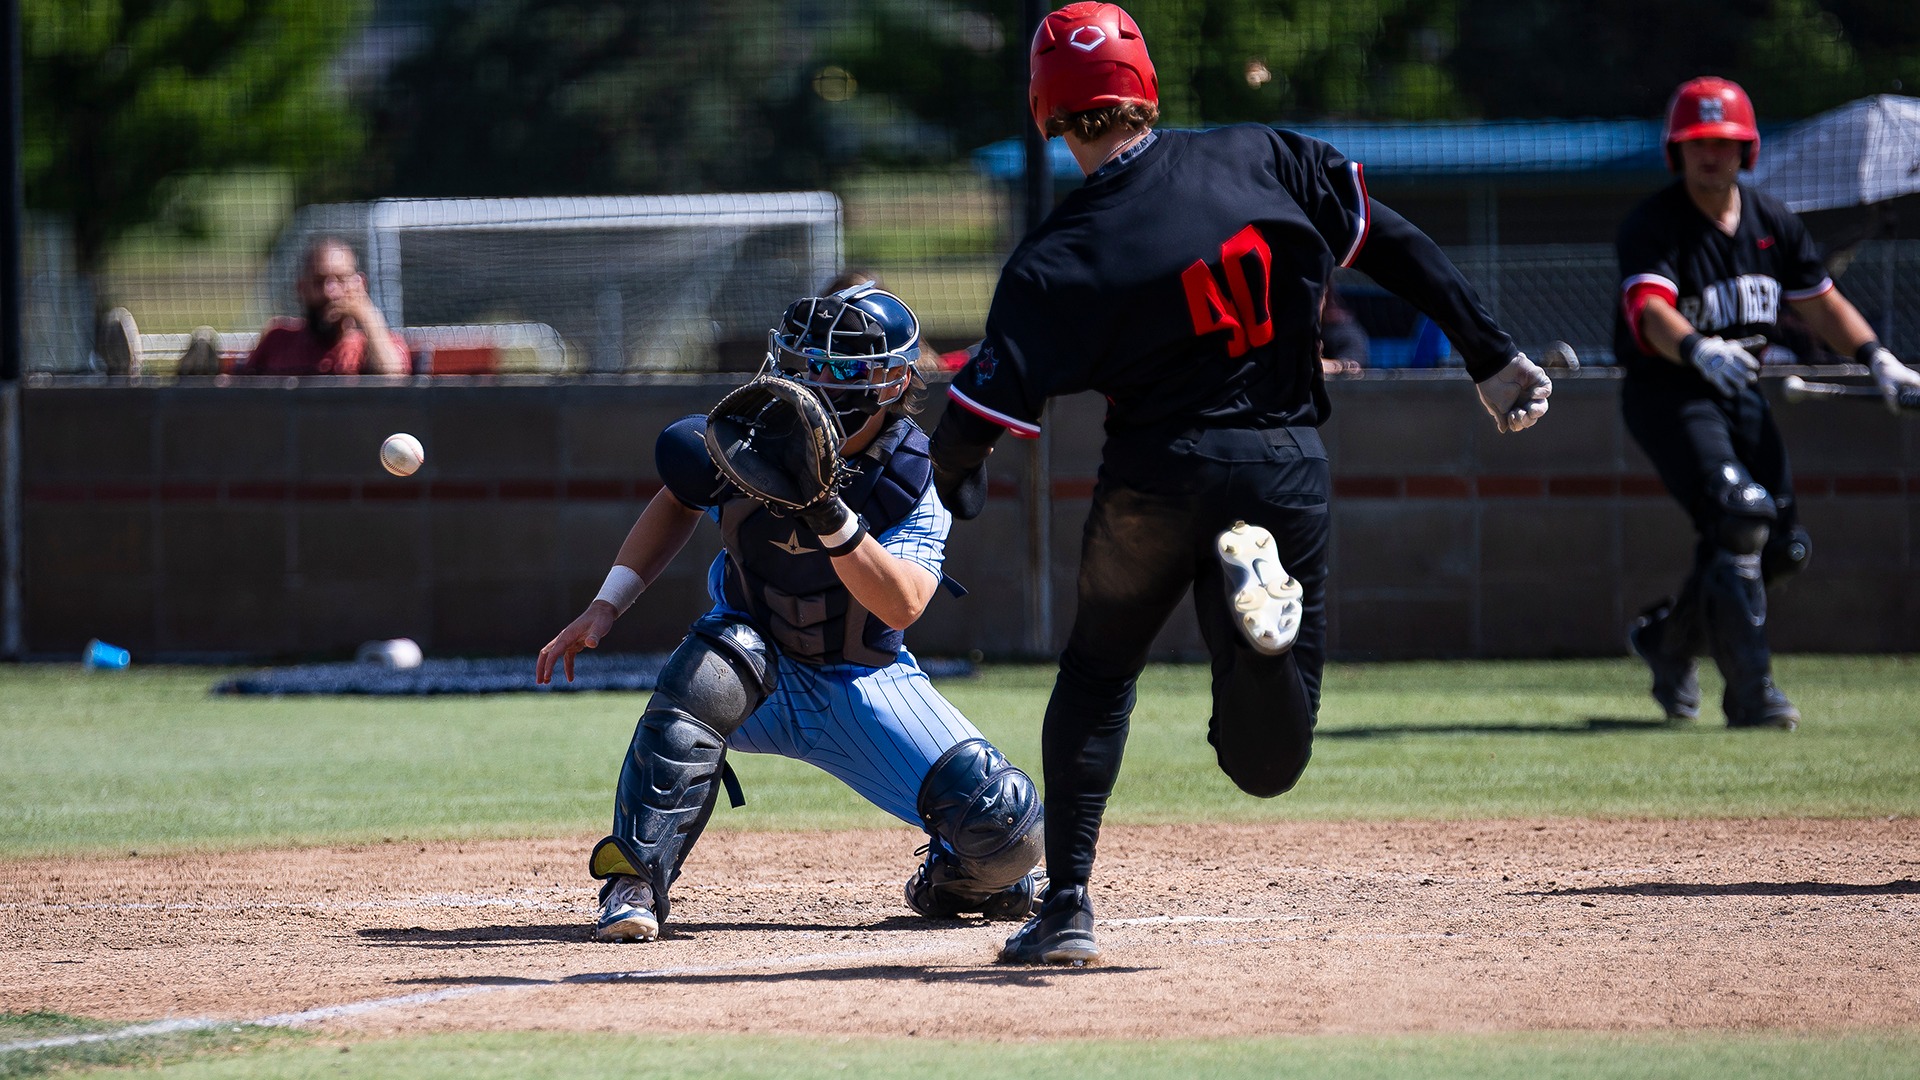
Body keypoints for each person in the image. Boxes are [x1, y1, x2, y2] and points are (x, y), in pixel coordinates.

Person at [926, 2, 1553, 966]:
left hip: (1156, 478)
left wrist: (955, 482)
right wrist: (1490, 353)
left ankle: (1070, 904)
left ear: (1047, 115)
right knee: (1268, 766)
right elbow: (1393, 242)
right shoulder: (1263, 155)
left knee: (1098, 677)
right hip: (1283, 462)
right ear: (1147, 88)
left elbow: (979, 415)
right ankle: (1263, 647)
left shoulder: (1059, 254)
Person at [536, 282, 1044, 942]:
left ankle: (954, 878)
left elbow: (903, 602)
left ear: (888, 383)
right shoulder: (751, 435)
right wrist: (604, 608)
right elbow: (678, 499)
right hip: (757, 675)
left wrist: (827, 509)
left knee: (1005, 828)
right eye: (802, 362)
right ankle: (635, 881)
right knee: (714, 662)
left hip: (863, 680)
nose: (807, 381)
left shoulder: (917, 473)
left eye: (833, 368)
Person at [1616, 77, 1920, 730]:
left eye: (1723, 143)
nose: (1710, 156)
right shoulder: (1656, 225)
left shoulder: (1770, 221)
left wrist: (1879, 360)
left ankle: (1669, 643)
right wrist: (1698, 349)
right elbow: (1647, 311)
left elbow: (1819, 302)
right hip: (1669, 393)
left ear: (1745, 149)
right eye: (1697, 143)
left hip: (1739, 394)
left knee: (1781, 546)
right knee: (1737, 515)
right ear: (1677, 150)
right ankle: (1752, 697)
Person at [237, 237, 409, 376]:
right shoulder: (278, 340)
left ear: (360, 284)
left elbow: (392, 381)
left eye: (341, 279)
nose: (330, 292)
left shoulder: (378, 343)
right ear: (301, 288)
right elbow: (242, 396)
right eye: (319, 282)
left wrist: (368, 316)